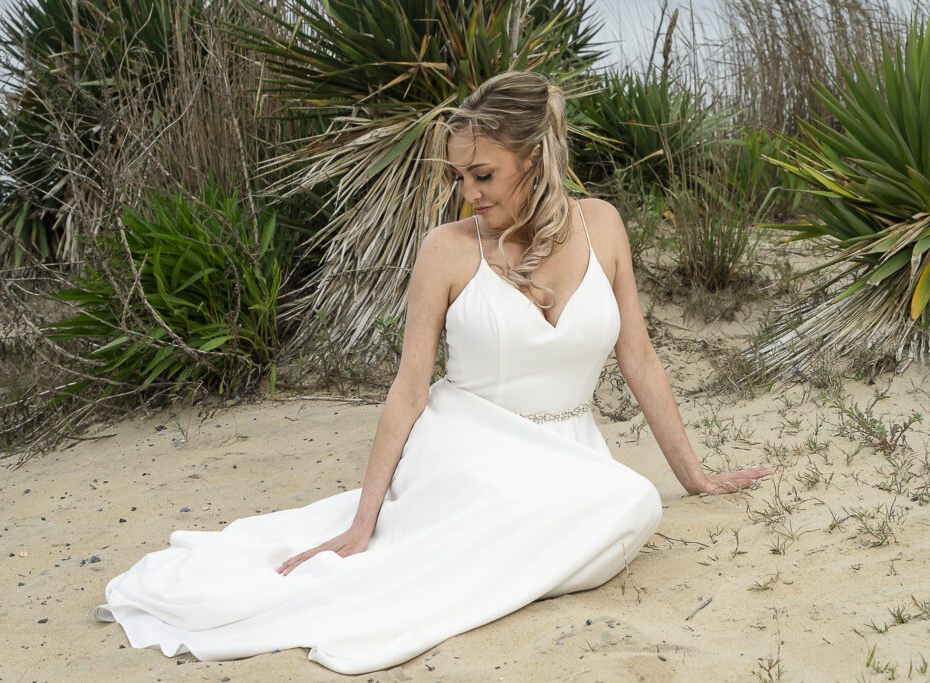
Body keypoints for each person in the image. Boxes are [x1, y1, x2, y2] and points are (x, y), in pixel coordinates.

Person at [95, 70, 771, 675]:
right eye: (459, 176)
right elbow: (409, 388)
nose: (467, 191)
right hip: (467, 447)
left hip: (568, 452)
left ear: (533, 158)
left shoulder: (605, 226)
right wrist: (364, 523)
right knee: (621, 506)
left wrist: (696, 475)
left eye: (483, 174)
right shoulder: (446, 251)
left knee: (631, 500)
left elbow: (640, 358)